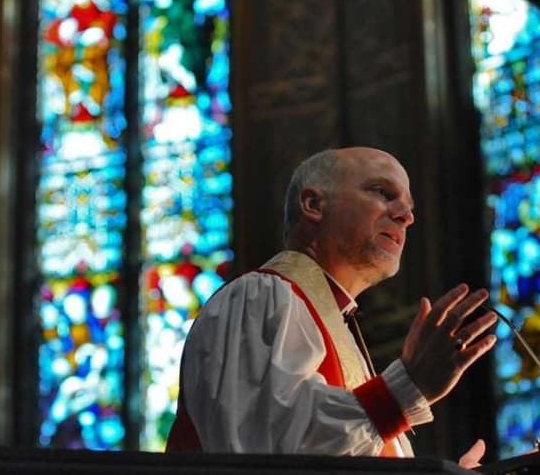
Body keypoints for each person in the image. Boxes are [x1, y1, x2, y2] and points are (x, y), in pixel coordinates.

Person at [167, 147, 498, 467]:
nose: (406, 216)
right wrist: (403, 390)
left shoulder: (342, 332)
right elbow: (267, 453)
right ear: (313, 204)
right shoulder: (256, 299)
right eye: (383, 192)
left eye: (409, 206)